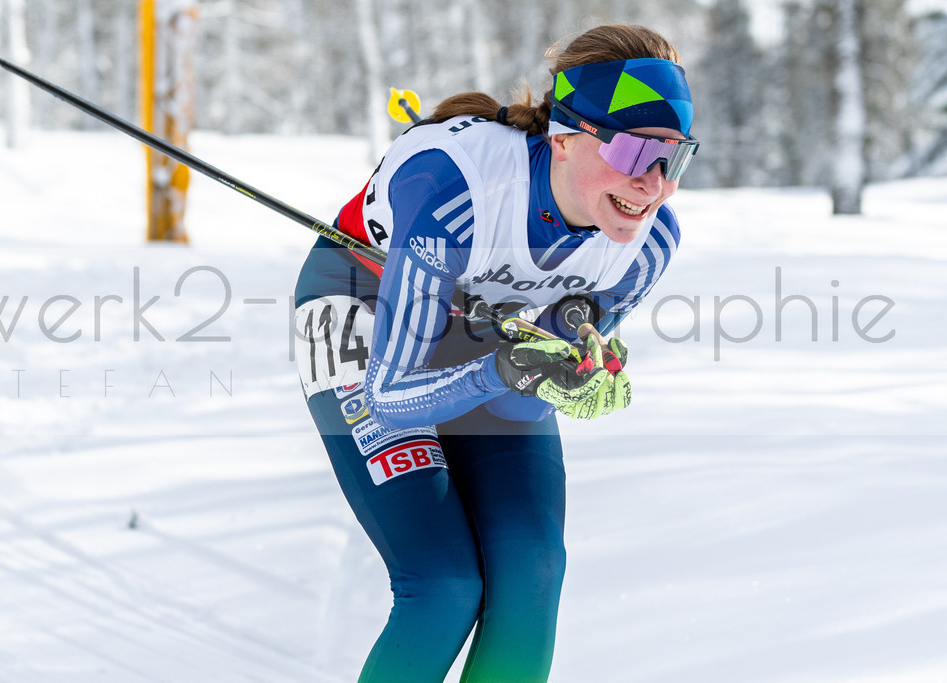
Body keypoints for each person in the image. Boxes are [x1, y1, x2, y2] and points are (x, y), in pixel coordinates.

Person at [293, 23, 698, 682]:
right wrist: (509, 366)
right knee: (444, 582)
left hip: (482, 332)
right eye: (633, 152)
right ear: (565, 137)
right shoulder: (457, 193)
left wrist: (575, 369)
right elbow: (391, 394)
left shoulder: (645, 244)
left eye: (675, 158)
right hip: (361, 307)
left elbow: (553, 351)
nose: (654, 184)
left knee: (532, 568)